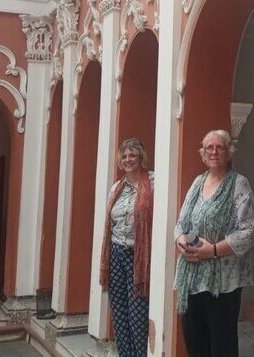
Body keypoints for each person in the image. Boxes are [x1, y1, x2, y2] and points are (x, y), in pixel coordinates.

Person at [173, 129, 254, 357]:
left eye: (219, 147)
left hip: (224, 281)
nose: (213, 151)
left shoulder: (239, 184)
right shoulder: (198, 182)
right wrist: (180, 241)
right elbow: (180, 223)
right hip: (192, 278)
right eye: (209, 147)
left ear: (228, 153)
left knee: (222, 344)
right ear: (203, 154)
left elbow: (247, 231)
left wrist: (213, 251)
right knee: (194, 339)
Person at [99, 137, 154, 357]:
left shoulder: (152, 183)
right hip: (115, 254)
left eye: (133, 155)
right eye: (125, 156)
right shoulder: (116, 188)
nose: (128, 159)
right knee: (119, 314)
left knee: (138, 317)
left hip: (138, 257)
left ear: (141, 157)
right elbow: (110, 223)